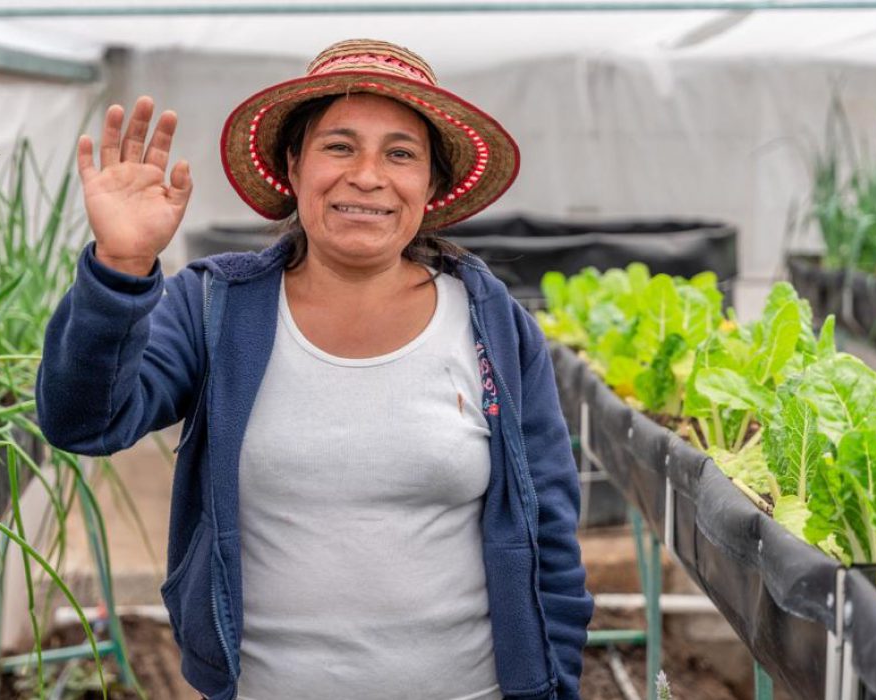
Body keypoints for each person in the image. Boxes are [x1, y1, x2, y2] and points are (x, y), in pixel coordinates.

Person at [37, 39, 592, 700]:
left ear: (431, 185)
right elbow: (83, 421)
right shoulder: (216, 306)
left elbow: (550, 528)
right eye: (338, 146)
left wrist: (553, 683)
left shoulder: (490, 323)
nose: (367, 175)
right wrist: (120, 268)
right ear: (293, 167)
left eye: (401, 153)